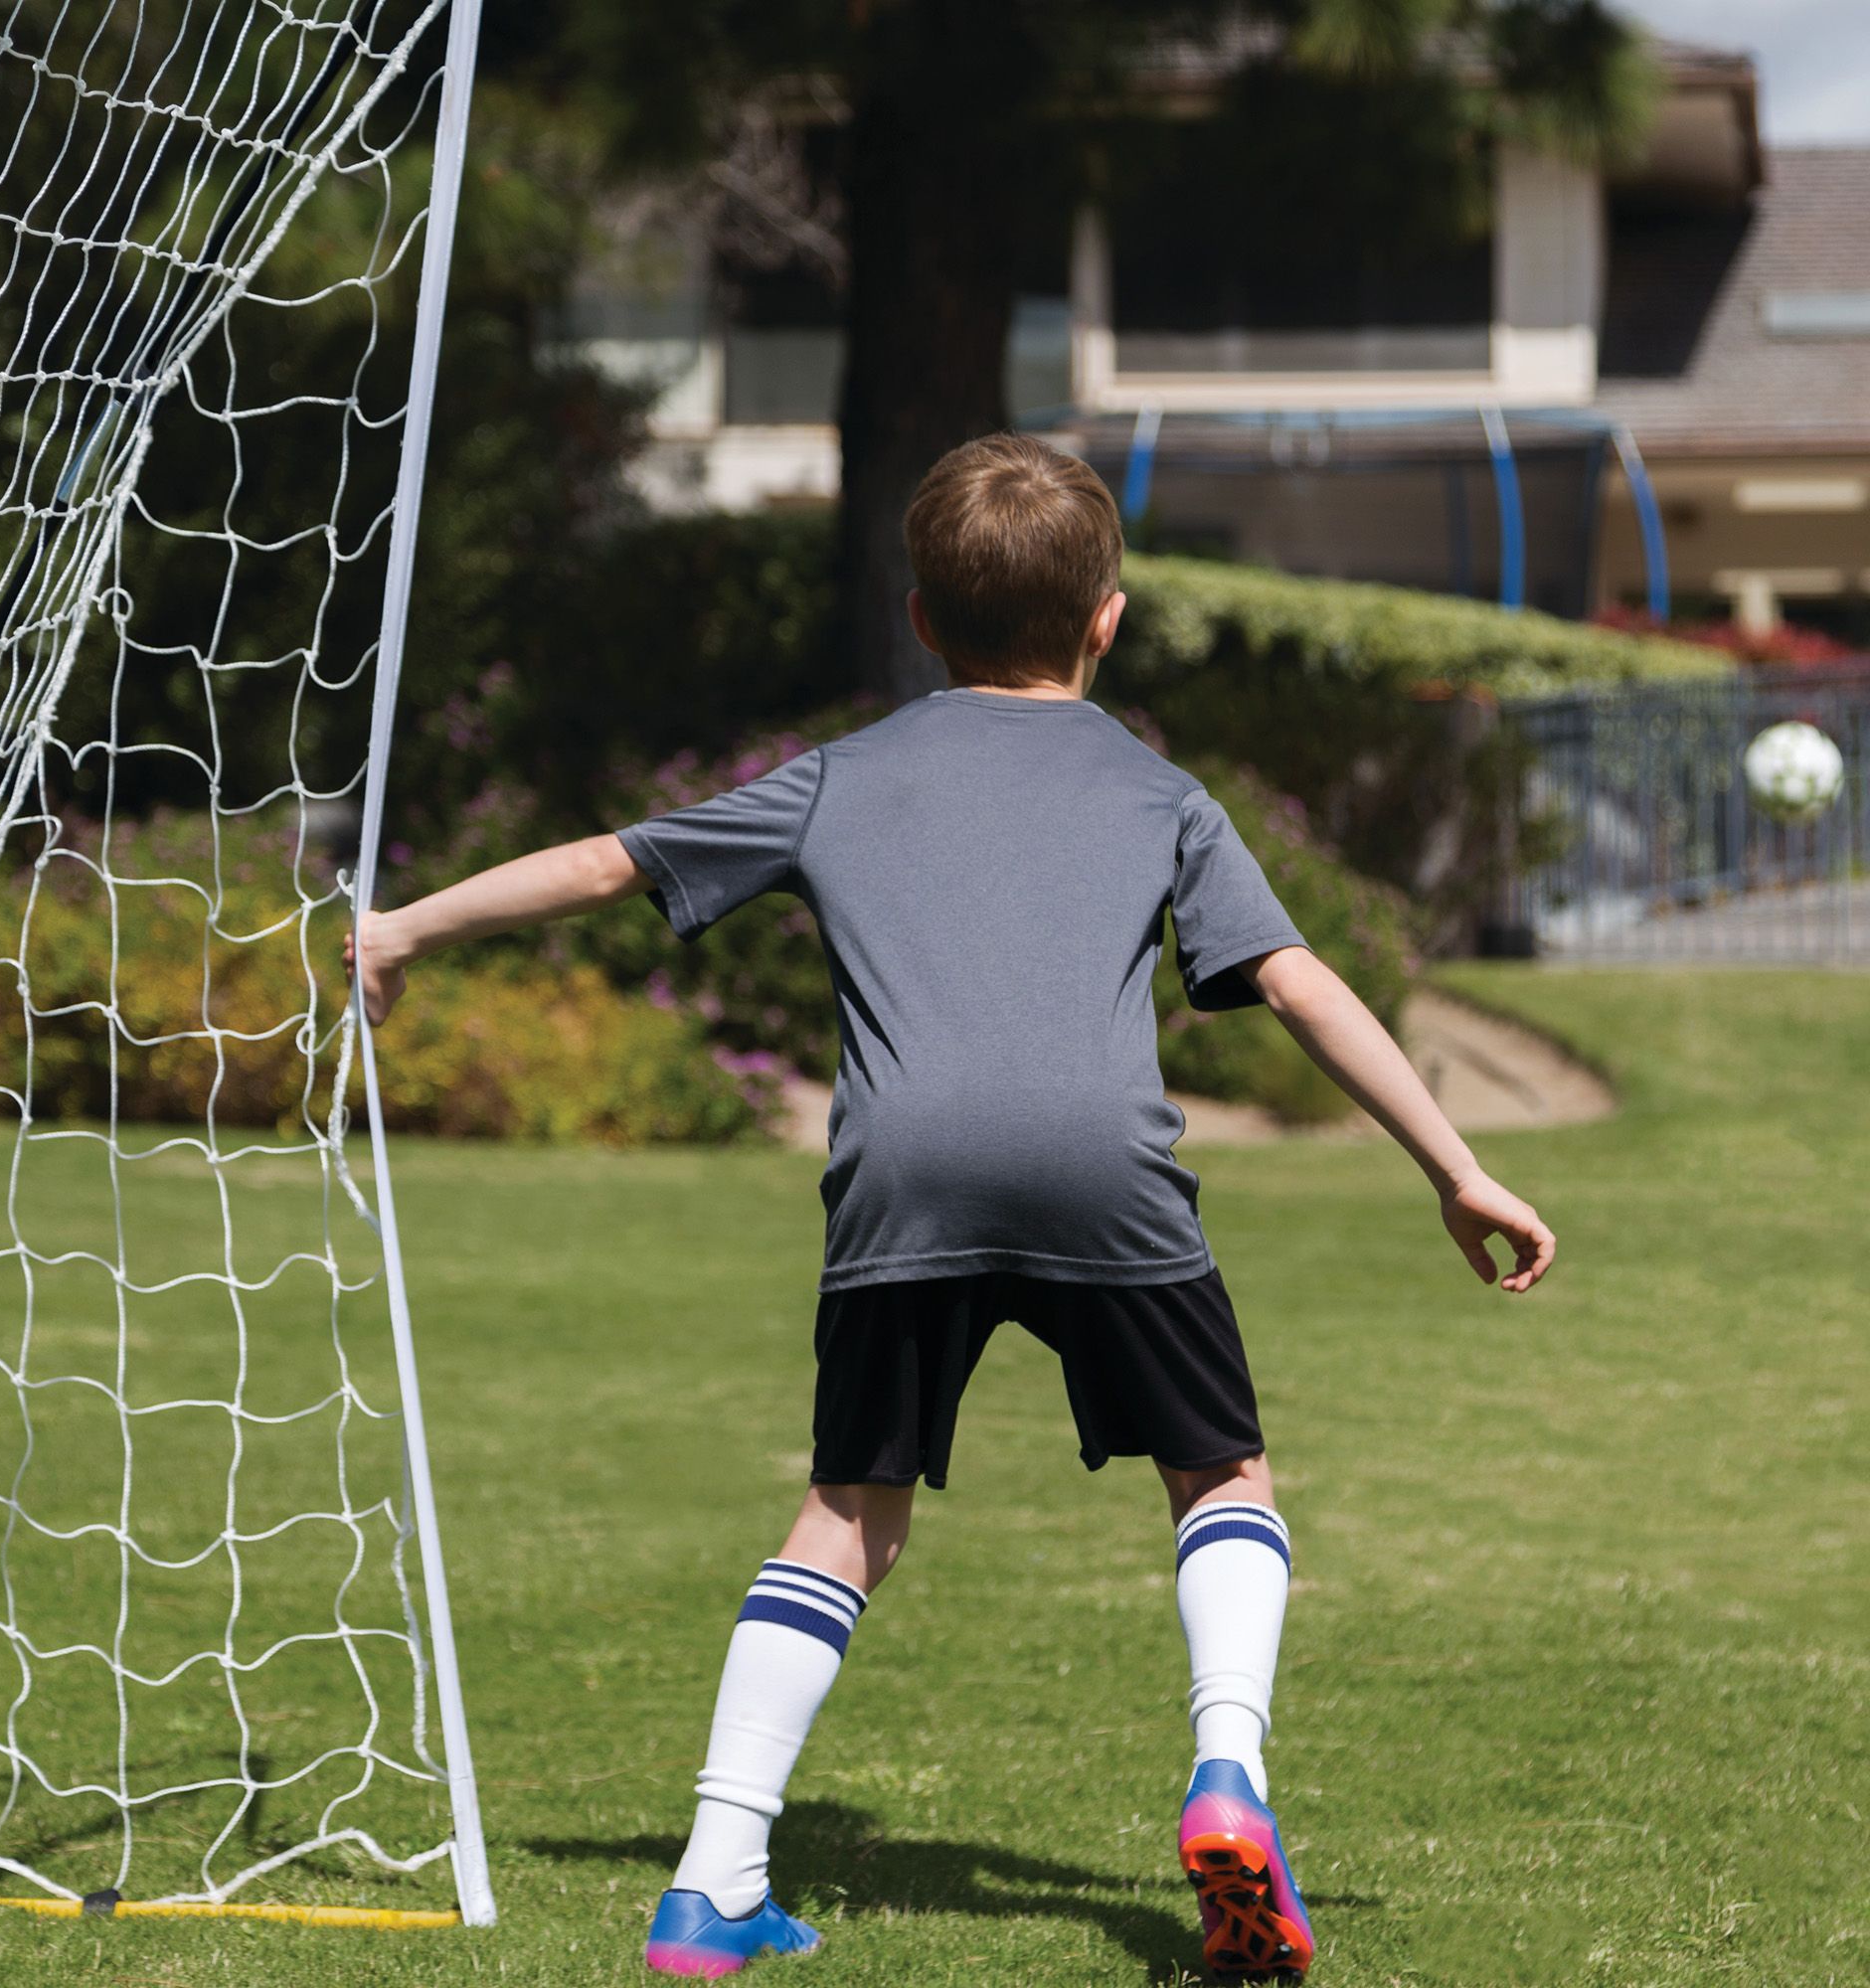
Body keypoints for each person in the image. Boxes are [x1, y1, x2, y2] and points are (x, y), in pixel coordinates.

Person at [346, 433, 1555, 1981]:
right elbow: (1297, 980)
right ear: (1108, 618)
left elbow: (604, 862)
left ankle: (714, 1877)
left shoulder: (843, 778)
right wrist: (1455, 1165)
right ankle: (1229, 1779)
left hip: (904, 1178)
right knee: (1221, 1476)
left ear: (918, 617)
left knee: (850, 1511)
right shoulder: (1158, 793)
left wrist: (400, 931)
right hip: (1104, 1174)